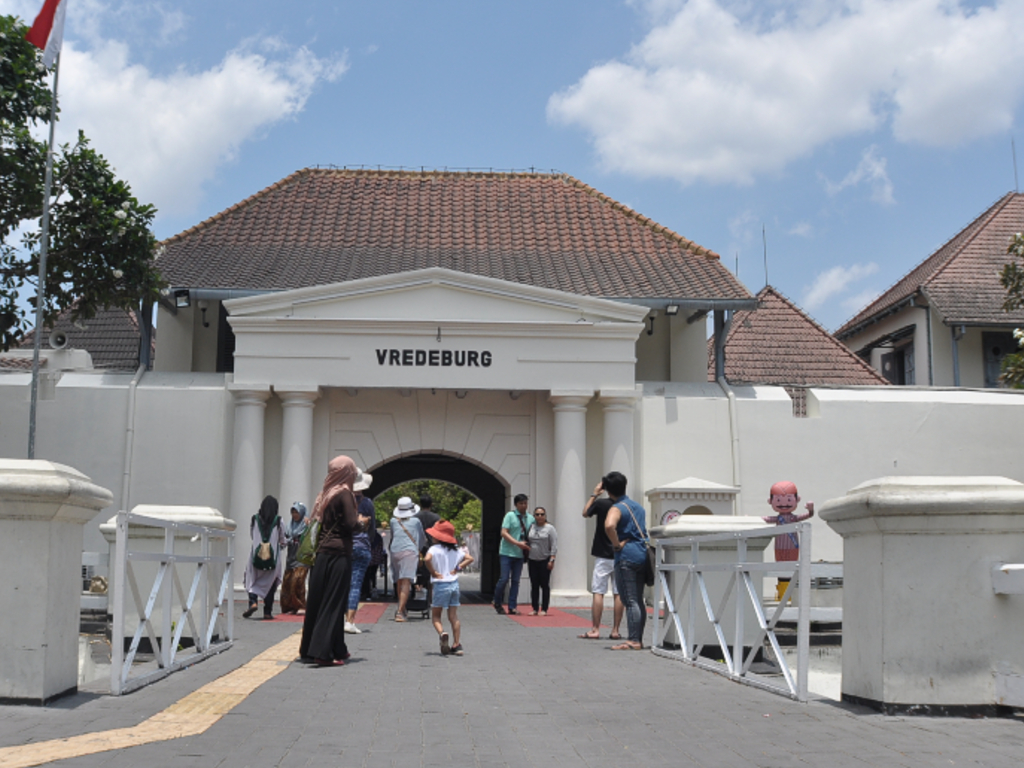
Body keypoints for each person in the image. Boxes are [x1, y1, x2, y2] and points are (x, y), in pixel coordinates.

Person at [299, 456, 368, 667]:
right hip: (339, 554)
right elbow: (349, 524)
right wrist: (362, 523)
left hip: (322, 554)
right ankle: (323, 652)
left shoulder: (326, 494)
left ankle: (325, 648)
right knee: (334, 602)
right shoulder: (345, 494)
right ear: (347, 473)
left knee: (318, 601)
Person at [603, 471, 649, 650]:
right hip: (641, 554)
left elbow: (609, 525)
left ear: (608, 490)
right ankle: (638, 638)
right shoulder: (638, 507)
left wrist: (616, 544)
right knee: (638, 599)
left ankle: (633, 640)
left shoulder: (617, 508)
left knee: (629, 600)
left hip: (626, 556)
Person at [579, 482, 624, 640]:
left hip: (603, 554)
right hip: (620, 552)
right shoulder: (624, 505)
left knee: (598, 591)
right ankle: (615, 630)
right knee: (619, 593)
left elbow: (585, 513)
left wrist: (594, 494)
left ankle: (595, 629)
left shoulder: (601, 503)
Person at [424, 520, 474, 656]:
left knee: (435, 616)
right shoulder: (456, 550)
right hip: (454, 584)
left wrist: (433, 572)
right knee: (453, 616)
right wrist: (458, 568)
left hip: (440, 584)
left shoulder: (434, 549)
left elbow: (427, 559)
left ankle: (442, 633)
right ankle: (457, 644)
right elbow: (470, 558)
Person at [762, 481, 815, 601]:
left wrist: (811, 510)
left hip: (793, 546)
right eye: (779, 500)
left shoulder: (793, 518)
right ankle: (782, 593)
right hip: (779, 547)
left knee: (791, 567)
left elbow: (808, 515)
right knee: (781, 568)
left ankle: (790, 593)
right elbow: (766, 519)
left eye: (789, 499)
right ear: (770, 501)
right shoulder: (778, 518)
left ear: (797, 499)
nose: (784, 503)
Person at [243, 495, 286, 620]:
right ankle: (267, 612)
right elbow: (282, 539)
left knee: (252, 579)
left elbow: (252, 535)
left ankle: (253, 602)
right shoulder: (279, 520)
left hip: (256, 557)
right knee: (270, 583)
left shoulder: (254, 519)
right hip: (272, 559)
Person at [345, 471, 376, 634]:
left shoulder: (344, 502)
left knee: (343, 583)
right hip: (362, 546)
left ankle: (340, 618)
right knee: (355, 585)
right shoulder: (367, 503)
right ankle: (349, 620)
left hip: (344, 546)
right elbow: (372, 530)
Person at [493, 493, 534, 615]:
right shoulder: (510, 516)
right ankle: (497, 601)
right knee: (504, 578)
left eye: (525, 503)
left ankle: (512, 606)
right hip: (506, 552)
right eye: (521, 503)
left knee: (516, 580)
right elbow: (504, 533)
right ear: (516, 504)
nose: (523, 505)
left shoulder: (530, 518)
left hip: (520, 554)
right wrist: (517, 543)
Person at [389, 496, 426, 622]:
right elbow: (422, 539)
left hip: (395, 551)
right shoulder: (416, 522)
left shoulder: (393, 521)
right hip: (409, 551)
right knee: (406, 582)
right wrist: (418, 549)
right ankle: (400, 612)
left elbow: (393, 536)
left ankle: (402, 607)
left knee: (399, 580)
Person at [526, 507, 557, 616]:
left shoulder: (550, 528)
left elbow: (553, 545)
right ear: (534, 516)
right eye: (537, 514)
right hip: (532, 559)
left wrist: (552, 560)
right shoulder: (532, 527)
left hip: (545, 559)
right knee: (534, 584)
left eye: (542, 514)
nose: (540, 516)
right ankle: (535, 608)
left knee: (544, 584)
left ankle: (544, 608)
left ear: (545, 515)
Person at [280, 502, 309, 614]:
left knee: (298, 580)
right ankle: (289, 606)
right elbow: (284, 538)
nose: (294, 515)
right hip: (291, 558)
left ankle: (301, 605)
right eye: (293, 512)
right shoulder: (289, 526)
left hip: (302, 558)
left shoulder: (307, 525)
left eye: (297, 512)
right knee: (287, 582)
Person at [415, 494, 441, 604]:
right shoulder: (436, 517)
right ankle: (430, 597)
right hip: (432, 547)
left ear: (420, 504)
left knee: (418, 572)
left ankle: (417, 594)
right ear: (431, 504)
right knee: (431, 572)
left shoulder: (415, 517)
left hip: (418, 548)